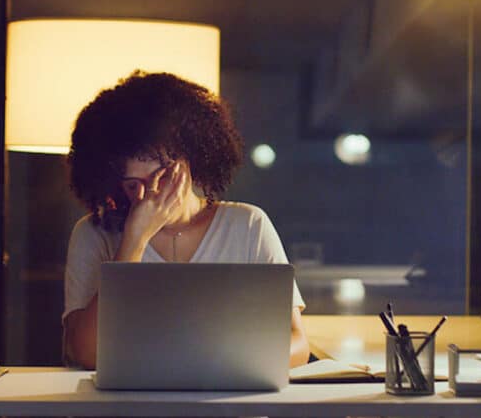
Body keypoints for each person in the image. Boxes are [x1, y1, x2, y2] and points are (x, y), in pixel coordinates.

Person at [62, 71, 310, 369]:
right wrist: (135, 240)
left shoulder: (248, 225)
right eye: (132, 184)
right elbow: (86, 355)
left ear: (191, 158)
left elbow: (297, 344)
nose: (149, 194)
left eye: (162, 176)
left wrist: (211, 365)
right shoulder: (94, 232)